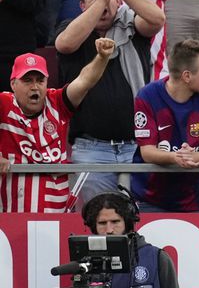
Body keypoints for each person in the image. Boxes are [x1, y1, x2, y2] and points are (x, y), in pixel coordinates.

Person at [55, 0, 166, 207]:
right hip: (91, 150)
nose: (102, 2)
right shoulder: (70, 28)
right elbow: (64, 44)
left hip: (136, 147)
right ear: (82, 6)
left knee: (140, 225)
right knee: (95, 227)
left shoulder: (132, 27)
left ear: (119, 2)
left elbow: (158, 19)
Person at [0, 41, 115, 212]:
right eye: (27, 80)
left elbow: (84, 81)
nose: (35, 87)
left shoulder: (57, 102)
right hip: (11, 214)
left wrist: (102, 57)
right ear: (13, 84)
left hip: (56, 214)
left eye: (40, 80)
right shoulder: (3, 103)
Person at [80, 189, 186, 288]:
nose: (109, 229)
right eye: (102, 223)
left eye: (115, 221)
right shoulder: (85, 265)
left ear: (128, 222)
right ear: (93, 226)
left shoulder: (157, 258)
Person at [132, 39, 199, 213]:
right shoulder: (147, 95)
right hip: (149, 199)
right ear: (187, 76)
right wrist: (177, 158)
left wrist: (189, 157)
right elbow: (147, 152)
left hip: (194, 201)